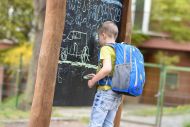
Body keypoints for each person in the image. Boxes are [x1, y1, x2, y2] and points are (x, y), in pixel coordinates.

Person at [87, 21, 122, 127]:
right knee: (108, 124)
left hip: (105, 92)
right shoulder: (119, 49)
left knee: (95, 124)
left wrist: (93, 81)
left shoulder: (106, 48)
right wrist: (98, 77)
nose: (99, 39)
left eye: (99, 36)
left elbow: (106, 69)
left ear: (103, 34)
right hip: (116, 93)